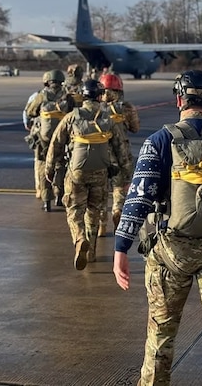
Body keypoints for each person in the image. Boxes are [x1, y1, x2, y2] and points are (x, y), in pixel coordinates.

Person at [113, 70, 202, 386]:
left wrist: (121, 247)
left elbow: (138, 199)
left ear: (179, 100)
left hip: (171, 252)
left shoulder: (159, 141)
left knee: (161, 334)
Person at [45, 78, 130, 270]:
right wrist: (126, 174)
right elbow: (121, 148)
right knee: (94, 211)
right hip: (100, 172)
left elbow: (56, 143)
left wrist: (49, 168)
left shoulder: (72, 117)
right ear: (100, 96)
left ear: (83, 95)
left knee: (75, 211)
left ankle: (79, 238)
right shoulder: (107, 119)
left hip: (77, 173)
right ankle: (90, 252)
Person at [24, 69, 75, 211]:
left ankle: (47, 201)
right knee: (61, 166)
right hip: (62, 138)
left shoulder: (41, 96)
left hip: (44, 139)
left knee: (43, 167)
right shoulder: (67, 97)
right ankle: (59, 196)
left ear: (47, 81)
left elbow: (30, 111)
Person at [98, 72, 140, 237]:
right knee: (119, 186)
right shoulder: (126, 107)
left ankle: (101, 223)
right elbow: (135, 128)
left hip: (100, 152)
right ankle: (117, 210)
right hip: (121, 153)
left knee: (100, 189)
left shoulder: (96, 107)